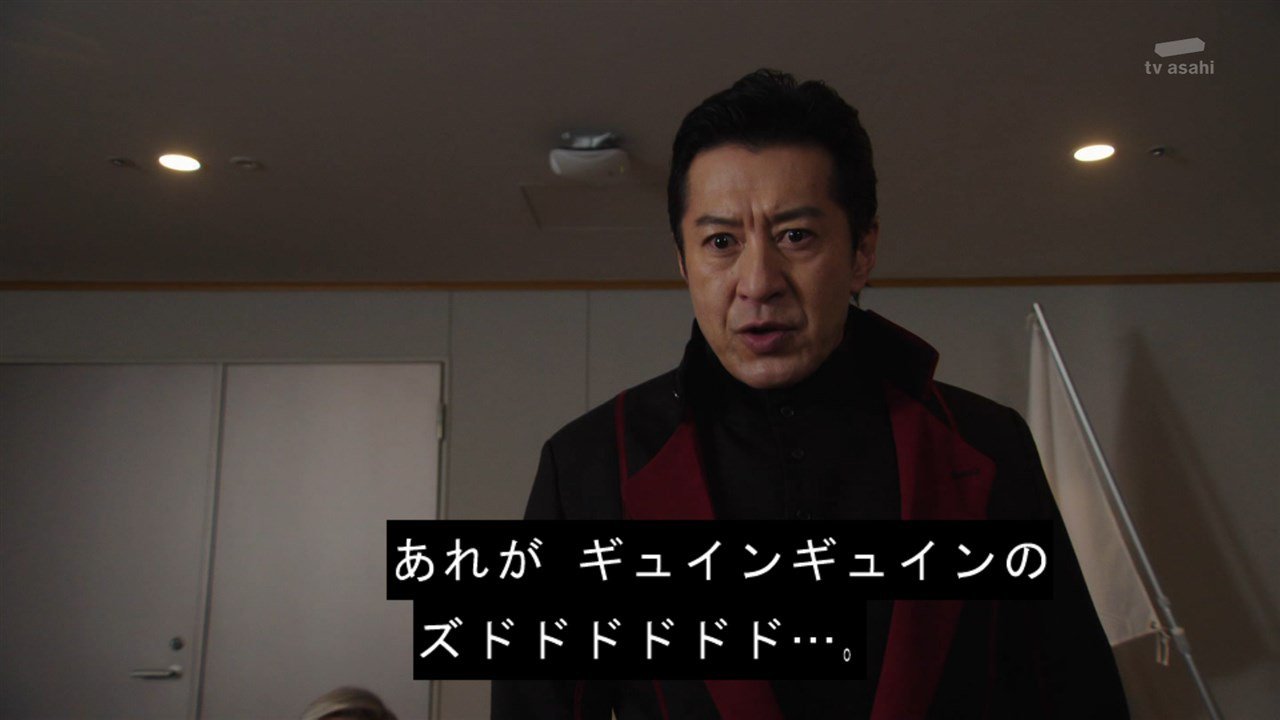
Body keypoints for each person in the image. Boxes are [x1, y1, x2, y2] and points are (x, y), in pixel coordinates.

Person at [491, 69, 1128, 719]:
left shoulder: (988, 443)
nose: (758, 282)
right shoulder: (589, 465)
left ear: (862, 251)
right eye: (721, 242)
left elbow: (1075, 698)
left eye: (795, 235)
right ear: (683, 262)